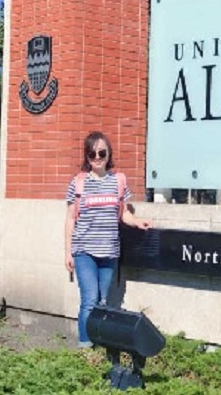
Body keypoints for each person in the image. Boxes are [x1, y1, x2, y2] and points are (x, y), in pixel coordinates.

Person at [64, 131, 151, 349]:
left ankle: (100, 343)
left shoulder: (118, 181)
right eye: (92, 153)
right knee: (90, 300)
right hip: (84, 251)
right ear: (87, 156)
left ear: (108, 154)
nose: (97, 157)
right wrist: (67, 252)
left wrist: (137, 222)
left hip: (109, 251)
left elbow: (123, 213)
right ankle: (85, 347)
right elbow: (70, 219)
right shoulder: (78, 183)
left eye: (101, 153)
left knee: (103, 302)